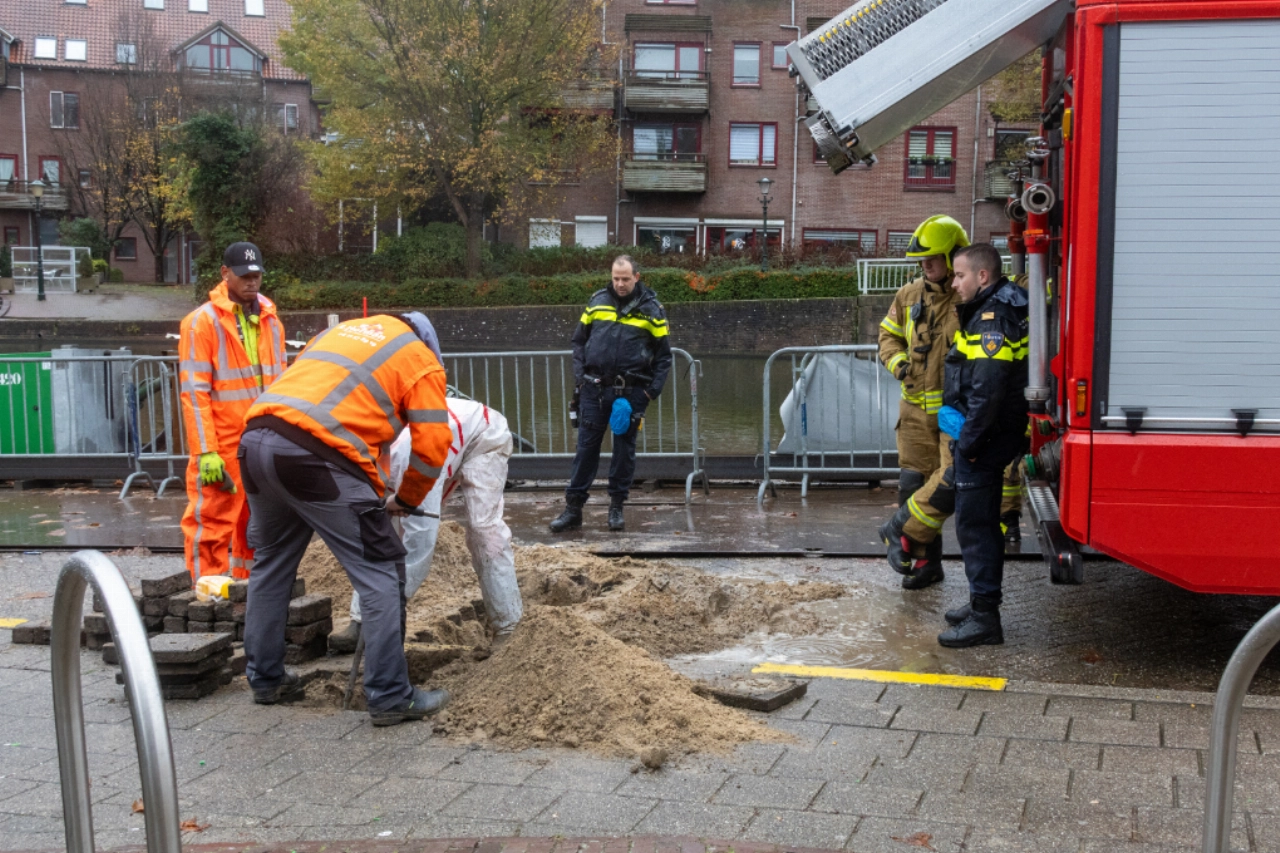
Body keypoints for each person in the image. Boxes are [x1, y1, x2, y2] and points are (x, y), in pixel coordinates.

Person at [238, 312, 453, 725]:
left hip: (256, 441)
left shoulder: (337, 334)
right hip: (315, 457)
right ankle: (390, 694)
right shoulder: (419, 359)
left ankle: (265, 679)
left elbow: (341, 409)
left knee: (271, 562)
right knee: (382, 569)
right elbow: (433, 445)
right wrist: (406, 500)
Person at [330, 397, 523, 652]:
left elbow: (421, 539)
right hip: (440, 437)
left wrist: (388, 603)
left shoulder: (410, 459)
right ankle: (360, 620)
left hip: (482, 435)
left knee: (482, 530)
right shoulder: (349, 459)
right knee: (383, 528)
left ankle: (509, 625)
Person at [936, 243, 1029, 648]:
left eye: (959, 275)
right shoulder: (998, 307)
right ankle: (978, 604)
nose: (954, 283)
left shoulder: (991, 319)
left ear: (983, 277)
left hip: (985, 440)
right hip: (990, 437)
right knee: (979, 524)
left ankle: (985, 618)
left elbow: (988, 391)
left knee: (975, 527)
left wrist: (968, 444)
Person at [178, 242, 287, 581]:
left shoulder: (271, 322)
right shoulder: (201, 324)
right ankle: (205, 594)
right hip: (222, 445)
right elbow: (194, 393)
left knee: (257, 525)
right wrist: (205, 451)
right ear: (225, 274)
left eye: (256, 276)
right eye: (244, 276)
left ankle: (247, 595)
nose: (251, 282)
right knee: (210, 522)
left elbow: (281, 384)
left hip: (261, 440)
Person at [877, 215, 969, 590]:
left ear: (953, 256)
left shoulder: (969, 297)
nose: (925, 266)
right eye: (922, 260)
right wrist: (898, 365)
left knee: (946, 488)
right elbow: (887, 336)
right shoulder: (909, 294)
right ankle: (926, 565)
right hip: (914, 412)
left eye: (932, 259)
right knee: (913, 486)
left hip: (953, 414)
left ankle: (901, 534)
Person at [549, 255, 672, 533]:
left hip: (631, 393)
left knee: (623, 452)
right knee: (585, 450)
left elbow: (664, 357)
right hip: (594, 390)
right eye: (616, 278)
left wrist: (650, 393)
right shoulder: (596, 302)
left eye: (625, 279)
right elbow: (578, 342)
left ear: (636, 277)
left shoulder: (652, 310)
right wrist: (580, 379)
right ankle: (573, 509)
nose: (619, 284)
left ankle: (616, 508)